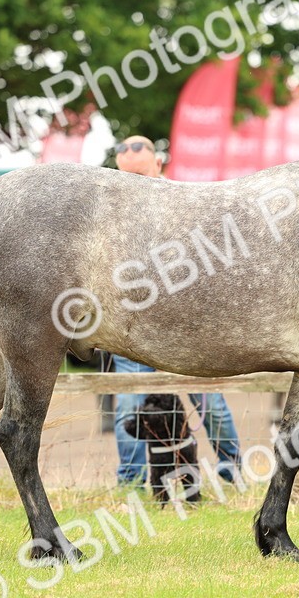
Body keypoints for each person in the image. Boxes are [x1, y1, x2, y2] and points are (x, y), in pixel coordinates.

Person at [108, 135, 242, 487]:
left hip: (184, 328)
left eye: (141, 174)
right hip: (131, 329)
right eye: (126, 176)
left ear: (158, 165)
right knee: (126, 409)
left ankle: (231, 472)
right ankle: (131, 482)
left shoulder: (184, 205)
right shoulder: (109, 215)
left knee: (210, 404)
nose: (134, 184)